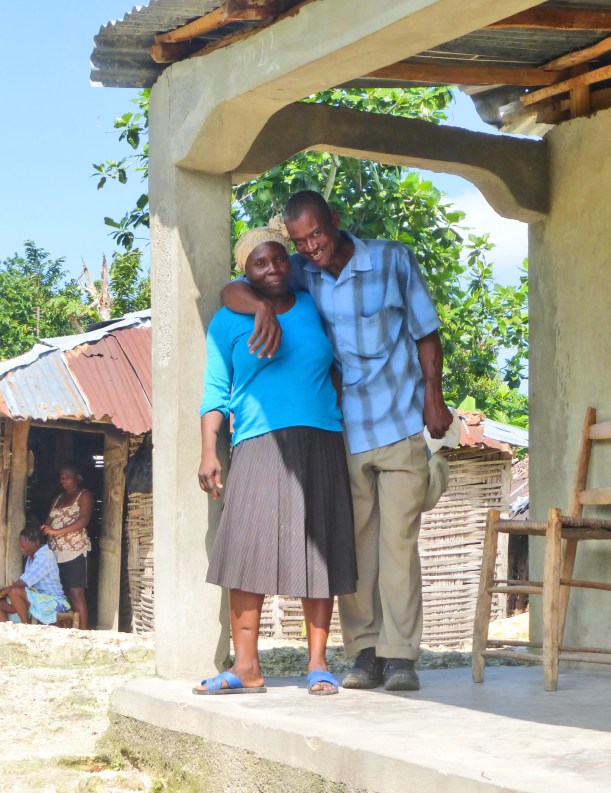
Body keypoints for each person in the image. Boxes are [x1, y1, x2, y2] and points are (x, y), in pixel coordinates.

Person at [221, 191, 453, 692]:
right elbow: (232, 290)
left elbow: (427, 333)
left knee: (397, 543)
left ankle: (400, 657)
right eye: (300, 241)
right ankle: (364, 653)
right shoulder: (302, 272)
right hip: (344, 432)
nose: (311, 247)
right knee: (354, 547)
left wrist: (434, 397)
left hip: (399, 423)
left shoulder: (392, 260)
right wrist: (262, 306)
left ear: (336, 219)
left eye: (316, 235)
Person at [195, 223, 357, 696]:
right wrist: (209, 450)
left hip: (320, 439)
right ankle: (246, 667)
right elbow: (214, 391)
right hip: (255, 442)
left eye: (279, 259)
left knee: (319, 548)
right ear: (245, 270)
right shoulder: (228, 318)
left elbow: (337, 367)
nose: (272, 269)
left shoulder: (311, 303)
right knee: (245, 551)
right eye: (259, 263)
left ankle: (318, 663)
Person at [41, 462, 93, 630]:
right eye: (62, 478)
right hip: (55, 553)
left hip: (75, 551)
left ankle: (83, 631)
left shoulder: (84, 495)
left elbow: (83, 520)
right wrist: (45, 528)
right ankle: (66, 627)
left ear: (77, 478)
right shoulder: (58, 498)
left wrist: (57, 532)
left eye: (68, 478)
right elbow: (49, 520)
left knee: (76, 592)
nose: (64, 481)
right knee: (60, 591)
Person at [0, 525, 71, 624]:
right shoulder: (31, 557)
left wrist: (2, 592)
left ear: (36, 542)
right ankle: (8, 632)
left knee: (14, 591)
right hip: (36, 599)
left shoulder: (45, 555)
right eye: (20, 546)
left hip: (51, 600)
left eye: (23, 546)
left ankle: (26, 626)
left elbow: (23, 583)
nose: (20, 549)